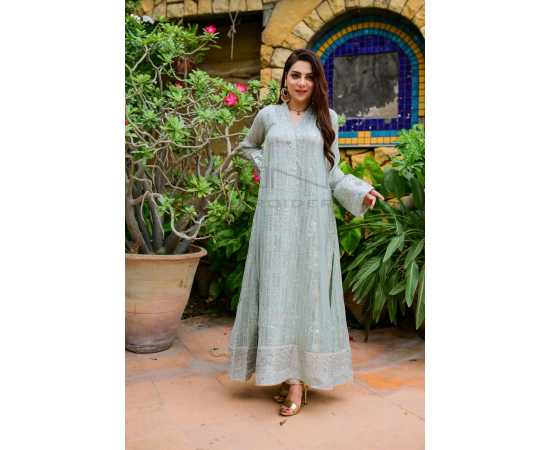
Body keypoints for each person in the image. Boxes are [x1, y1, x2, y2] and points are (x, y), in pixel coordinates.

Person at [227, 48, 384, 416]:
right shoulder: (268, 116)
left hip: (314, 222)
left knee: (308, 296)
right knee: (277, 292)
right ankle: (286, 375)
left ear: (317, 83)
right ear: (285, 78)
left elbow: (333, 172)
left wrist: (361, 191)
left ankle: (299, 378)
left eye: (309, 77)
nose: (301, 82)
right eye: (296, 75)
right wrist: (271, 166)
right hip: (275, 220)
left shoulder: (327, 119)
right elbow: (247, 147)